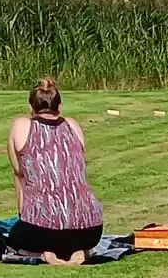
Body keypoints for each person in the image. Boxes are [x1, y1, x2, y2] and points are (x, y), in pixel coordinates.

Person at [6, 78, 103, 266]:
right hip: (90, 230)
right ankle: (78, 251)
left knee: (14, 236)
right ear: (59, 106)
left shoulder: (21, 125)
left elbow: (19, 173)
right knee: (69, 234)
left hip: (42, 231)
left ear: (30, 106)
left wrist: (24, 215)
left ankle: (44, 253)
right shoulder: (73, 126)